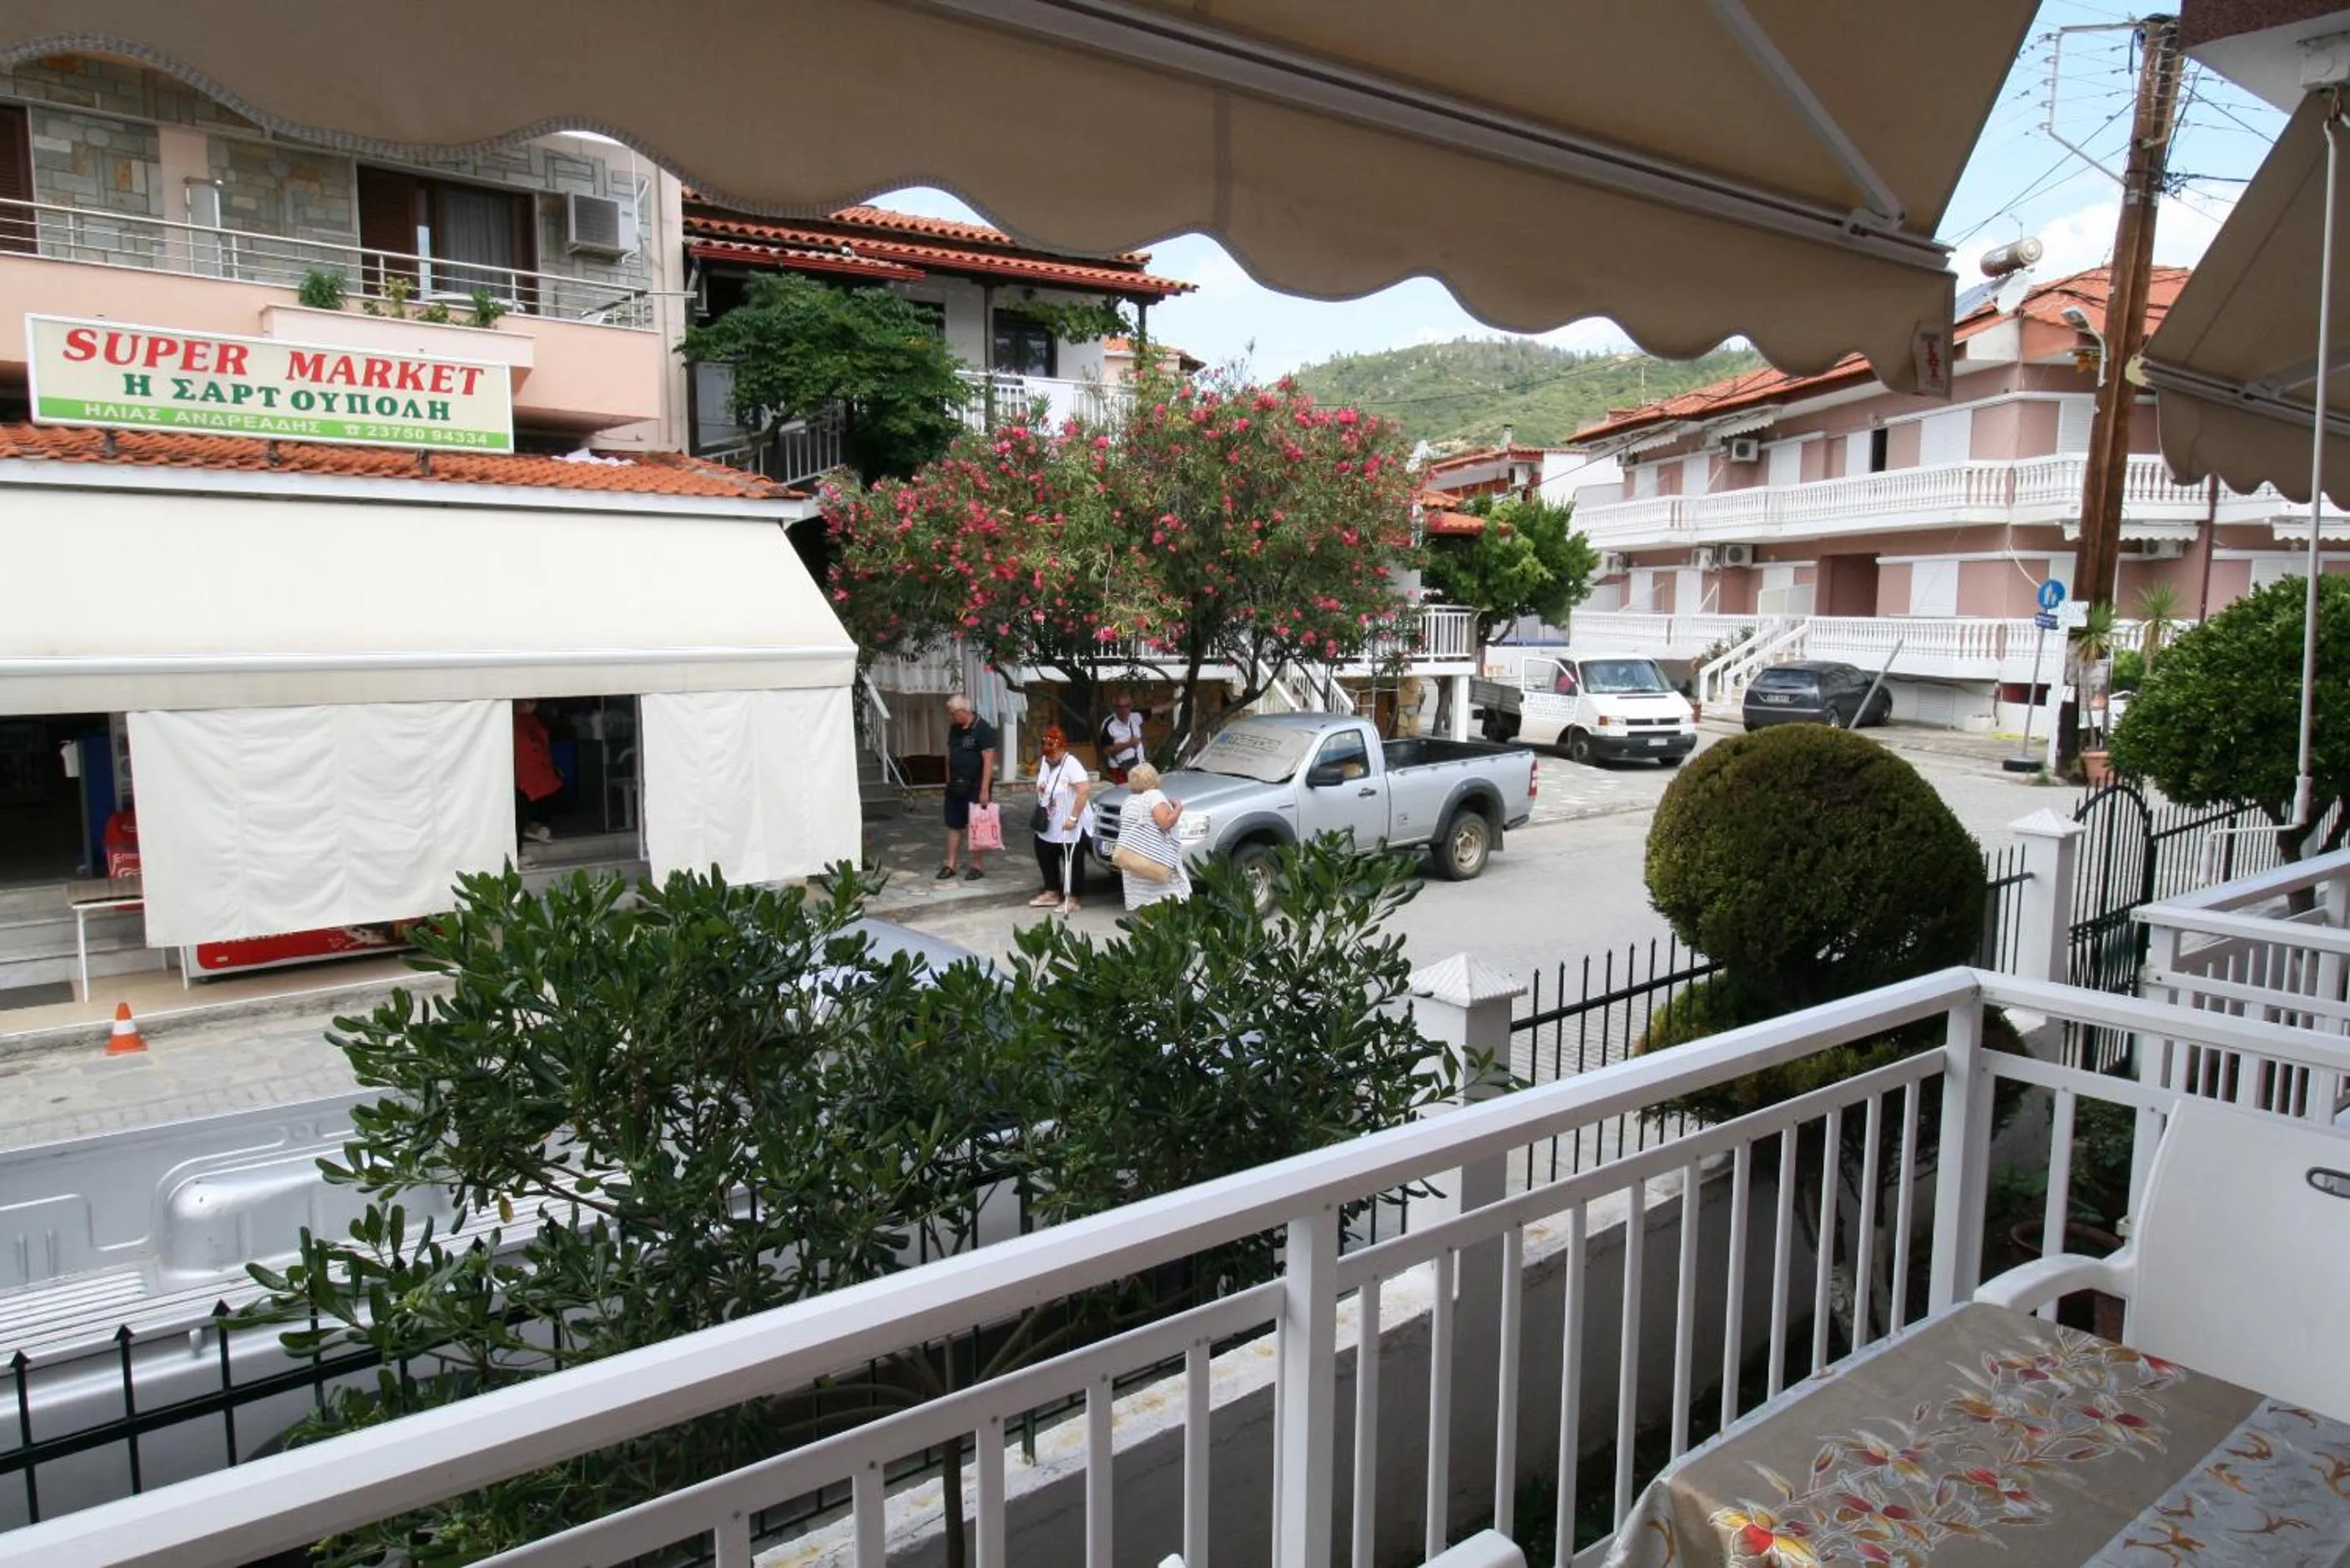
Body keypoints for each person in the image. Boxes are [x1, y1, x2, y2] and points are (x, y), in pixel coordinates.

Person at [1028, 726, 1091, 915]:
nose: (1049, 757)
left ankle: (1072, 898)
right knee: (1044, 850)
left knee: (1071, 858)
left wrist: (1073, 818)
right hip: (1050, 818)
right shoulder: (1047, 762)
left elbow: (1084, 791)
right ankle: (1052, 891)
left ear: (1061, 749)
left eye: (1052, 753)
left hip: (1068, 818)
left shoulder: (1071, 764)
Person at [1115, 761, 1192, 911]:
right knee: (1163, 902)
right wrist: (1178, 809)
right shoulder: (1154, 796)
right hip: (1154, 858)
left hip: (1134, 858)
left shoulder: (1129, 801)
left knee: (1143, 906)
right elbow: (1165, 823)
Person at [940, 693, 996, 881]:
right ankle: (950, 864)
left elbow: (988, 761)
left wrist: (984, 789)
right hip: (956, 785)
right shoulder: (954, 729)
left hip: (975, 785)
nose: (951, 716)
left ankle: (977, 865)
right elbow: (949, 756)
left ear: (963, 711)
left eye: (953, 712)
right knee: (953, 824)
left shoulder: (983, 728)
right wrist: (948, 782)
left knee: (976, 825)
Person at [512, 698, 563, 845]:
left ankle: (535, 825)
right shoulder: (510, 720)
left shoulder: (533, 720)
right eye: (529, 701)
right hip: (523, 770)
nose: (532, 705)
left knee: (552, 789)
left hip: (539, 767)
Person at [1098, 691, 1147, 784]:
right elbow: (1107, 751)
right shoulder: (1108, 724)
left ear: (1131, 705)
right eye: (1119, 707)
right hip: (1119, 770)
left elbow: (1157, 710)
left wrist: (1178, 700)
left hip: (1139, 766)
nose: (1123, 710)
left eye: (1126, 706)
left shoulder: (1135, 717)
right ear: (1115, 707)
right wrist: (1129, 744)